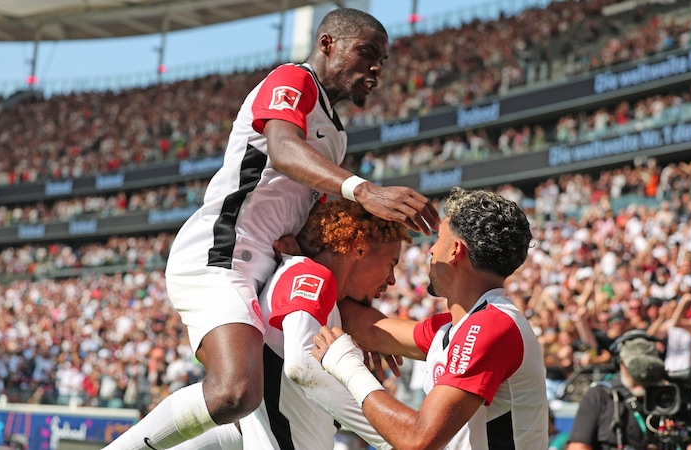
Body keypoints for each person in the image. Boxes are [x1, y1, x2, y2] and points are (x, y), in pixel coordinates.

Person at [104, 8, 439, 450]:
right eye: (366, 52)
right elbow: (282, 150)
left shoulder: (336, 138)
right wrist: (363, 190)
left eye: (382, 59)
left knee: (247, 416)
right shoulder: (292, 80)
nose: (376, 67)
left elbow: (315, 223)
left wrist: (353, 317)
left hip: (266, 266)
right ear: (327, 44)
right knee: (235, 392)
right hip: (222, 250)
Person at [310, 187, 548, 449]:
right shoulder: (459, 326)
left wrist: (346, 365)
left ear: (455, 250)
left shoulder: (491, 325)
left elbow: (417, 439)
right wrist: (302, 260)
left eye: (438, 238)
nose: (431, 250)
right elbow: (366, 327)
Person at [238, 198, 409, 449]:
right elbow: (301, 365)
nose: (392, 279)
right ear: (359, 248)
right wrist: (393, 435)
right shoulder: (311, 274)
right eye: (391, 264)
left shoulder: (316, 287)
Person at [566, 330, 691, 450]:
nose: (643, 377)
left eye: (649, 371)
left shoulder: (672, 397)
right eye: (637, 371)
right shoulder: (600, 395)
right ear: (621, 364)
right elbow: (578, 446)